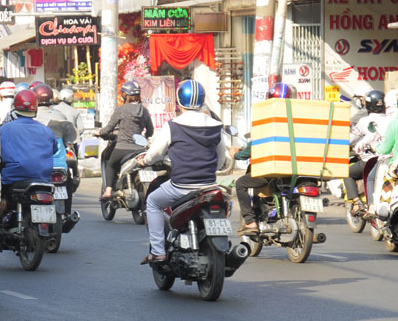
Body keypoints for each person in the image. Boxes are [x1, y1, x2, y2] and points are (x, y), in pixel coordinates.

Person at [137, 79, 227, 264]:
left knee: (153, 202)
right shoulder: (216, 126)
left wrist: (145, 161)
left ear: (179, 101)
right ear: (202, 101)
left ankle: (158, 251)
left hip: (180, 186)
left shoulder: (173, 125)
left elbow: (154, 153)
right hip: (209, 186)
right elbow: (221, 159)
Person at [234, 82, 296, 235]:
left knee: (241, 183)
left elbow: (252, 148)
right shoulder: (297, 119)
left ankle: (250, 221)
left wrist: (236, 154)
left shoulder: (269, 121)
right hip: (297, 171)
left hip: (273, 172)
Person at [0, 89, 58, 215]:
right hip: (42, 178)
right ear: (35, 108)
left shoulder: (4, 129)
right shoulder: (46, 130)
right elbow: (54, 149)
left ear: (15, 107)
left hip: (12, 179)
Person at [98, 81, 154, 200]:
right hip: (139, 150)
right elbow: (150, 131)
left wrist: (100, 133)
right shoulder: (144, 111)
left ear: (125, 95)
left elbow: (108, 128)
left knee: (111, 165)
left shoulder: (121, 109)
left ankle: (108, 190)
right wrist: (143, 137)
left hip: (122, 148)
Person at [343, 90, 388, 213]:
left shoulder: (364, 121)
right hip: (388, 161)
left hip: (369, 161)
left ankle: (358, 203)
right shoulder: (390, 120)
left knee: (346, 173)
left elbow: (350, 139)